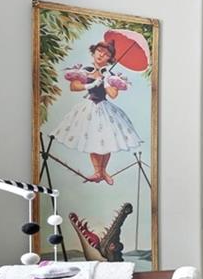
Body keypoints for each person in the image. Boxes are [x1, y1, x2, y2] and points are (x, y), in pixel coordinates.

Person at [53, 40, 141, 185]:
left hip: (104, 108)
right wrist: (90, 84)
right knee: (93, 138)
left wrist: (106, 82)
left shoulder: (111, 75)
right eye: (99, 51)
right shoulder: (85, 69)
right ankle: (97, 171)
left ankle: (103, 171)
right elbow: (73, 87)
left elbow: (113, 94)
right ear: (93, 52)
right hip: (89, 106)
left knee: (107, 139)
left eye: (106, 54)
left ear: (110, 59)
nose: (101, 55)